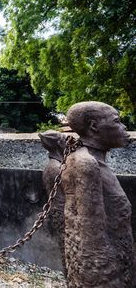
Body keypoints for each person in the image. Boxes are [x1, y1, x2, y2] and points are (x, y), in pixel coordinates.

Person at [62, 101, 134, 287]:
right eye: (117, 121)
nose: (123, 127)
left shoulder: (88, 160)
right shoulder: (87, 164)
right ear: (94, 127)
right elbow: (92, 235)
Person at [38, 130, 67, 274]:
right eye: (64, 139)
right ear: (59, 143)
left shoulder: (57, 165)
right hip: (63, 214)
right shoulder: (55, 168)